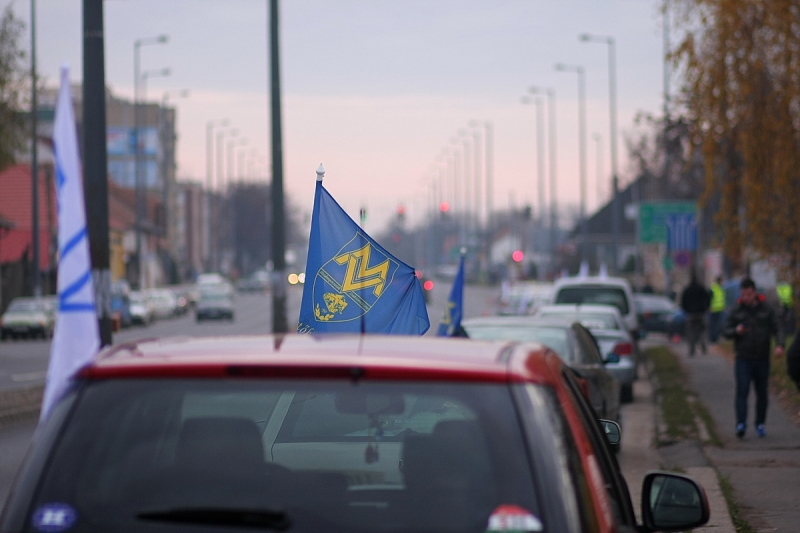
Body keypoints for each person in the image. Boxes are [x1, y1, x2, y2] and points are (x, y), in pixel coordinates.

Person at [722, 277, 784, 438]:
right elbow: (725, 331)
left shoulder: (766, 309)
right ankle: (741, 423)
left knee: (762, 392)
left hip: (762, 356)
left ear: (754, 292)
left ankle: (760, 423)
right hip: (743, 357)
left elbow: (777, 327)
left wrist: (780, 345)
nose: (746, 298)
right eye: (743, 294)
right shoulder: (737, 309)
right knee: (742, 390)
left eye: (749, 294)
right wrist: (736, 331)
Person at [680, 274, 711, 356]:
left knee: (691, 332)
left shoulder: (687, 290)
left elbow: (683, 301)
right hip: (701, 313)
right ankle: (703, 346)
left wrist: (687, 310)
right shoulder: (702, 288)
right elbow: (708, 298)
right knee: (703, 331)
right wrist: (705, 308)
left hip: (690, 314)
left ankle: (692, 348)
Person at [708, 276, 726, 343]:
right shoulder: (713, 289)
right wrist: (709, 307)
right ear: (719, 281)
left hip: (720, 309)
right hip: (713, 310)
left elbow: (722, 299)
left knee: (718, 325)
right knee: (713, 325)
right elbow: (709, 299)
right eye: (721, 281)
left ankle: (716, 338)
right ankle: (713, 338)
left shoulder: (721, 288)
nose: (722, 283)